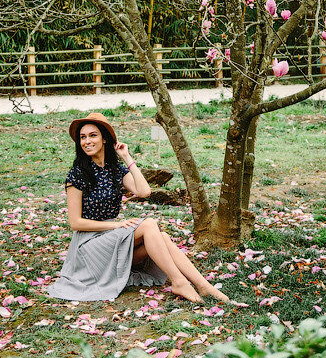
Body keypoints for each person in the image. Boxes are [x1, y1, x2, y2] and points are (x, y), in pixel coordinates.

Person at [44, 112, 230, 303]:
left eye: (93, 135)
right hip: (89, 246)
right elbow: (75, 223)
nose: (86, 141)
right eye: (83, 137)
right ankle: (179, 282)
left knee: (162, 237)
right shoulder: (77, 175)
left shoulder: (114, 169)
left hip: (110, 240)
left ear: (105, 139)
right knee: (149, 225)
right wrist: (116, 226)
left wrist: (126, 157)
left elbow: (144, 191)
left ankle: (203, 286)